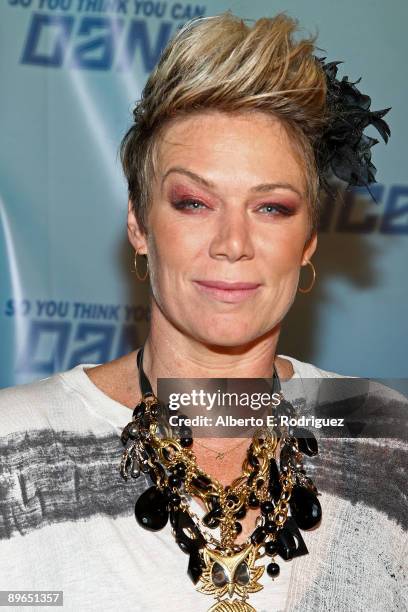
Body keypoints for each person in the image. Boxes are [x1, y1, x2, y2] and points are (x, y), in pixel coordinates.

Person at [0, 11, 406, 612]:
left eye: (271, 207)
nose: (232, 242)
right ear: (138, 223)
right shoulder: (12, 448)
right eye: (194, 202)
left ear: (310, 240)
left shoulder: (388, 439)